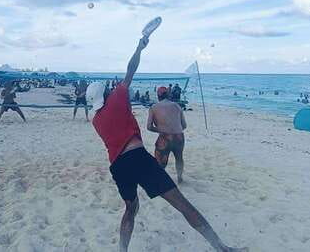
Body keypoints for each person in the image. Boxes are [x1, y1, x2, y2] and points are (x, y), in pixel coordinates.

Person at [86, 37, 245, 252]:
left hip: (117, 166)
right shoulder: (115, 99)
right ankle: (222, 248)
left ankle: (122, 249)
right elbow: (130, 70)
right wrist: (139, 47)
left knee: (131, 209)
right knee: (182, 204)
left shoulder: (96, 120)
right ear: (105, 94)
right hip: (138, 159)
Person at [147, 86, 187, 183]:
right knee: (179, 158)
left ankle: (160, 180)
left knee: (160, 161)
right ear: (168, 95)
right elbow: (184, 126)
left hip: (165, 137)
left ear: (158, 96)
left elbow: (149, 127)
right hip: (179, 136)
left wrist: (161, 129)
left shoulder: (153, 107)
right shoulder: (177, 106)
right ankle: (179, 177)